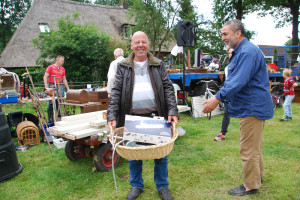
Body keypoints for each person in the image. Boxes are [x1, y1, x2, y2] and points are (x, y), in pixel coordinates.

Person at [202, 19, 273, 196]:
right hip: (252, 106)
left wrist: (216, 99)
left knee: (248, 148)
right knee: (254, 146)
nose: (222, 37)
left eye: (225, 34)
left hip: (252, 107)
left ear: (238, 33)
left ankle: (250, 185)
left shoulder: (247, 52)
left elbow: (237, 82)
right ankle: (258, 176)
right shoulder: (243, 51)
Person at [107, 31, 178, 200]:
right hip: (132, 116)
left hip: (156, 114)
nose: (140, 45)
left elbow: (168, 88)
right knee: (133, 154)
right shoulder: (123, 66)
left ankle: (162, 186)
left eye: (143, 42)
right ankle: (136, 185)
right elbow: (116, 91)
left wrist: (172, 111)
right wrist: (111, 114)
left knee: (160, 153)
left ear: (148, 45)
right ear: (131, 45)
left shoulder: (158, 64)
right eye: (136, 42)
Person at [214, 48, 233, 141]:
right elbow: (225, 82)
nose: (231, 54)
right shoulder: (227, 68)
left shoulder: (242, 66)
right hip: (229, 94)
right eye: (229, 53)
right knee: (226, 112)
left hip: (241, 94)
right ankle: (222, 133)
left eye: (232, 52)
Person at [43, 55, 69, 122]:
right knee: (51, 101)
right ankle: (51, 118)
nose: (63, 62)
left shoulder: (62, 69)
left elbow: (64, 79)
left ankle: (59, 116)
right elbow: (45, 77)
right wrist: (46, 87)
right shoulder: (50, 67)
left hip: (60, 85)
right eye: (62, 61)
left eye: (63, 61)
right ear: (57, 60)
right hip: (52, 85)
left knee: (59, 101)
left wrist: (68, 88)